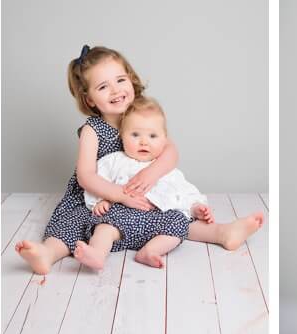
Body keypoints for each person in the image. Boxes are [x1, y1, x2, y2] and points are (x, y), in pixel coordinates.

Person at [15, 46, 263, 274]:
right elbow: (86, 176)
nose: (115, 90)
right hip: (101, 196)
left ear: (131, 80)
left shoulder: (142, 113)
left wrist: (151, 173)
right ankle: (48, 253)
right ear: (89, 99)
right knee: (74, 223)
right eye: (103, 87)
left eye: (120, 80)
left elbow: (171, 150)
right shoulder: (93, 129)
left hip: (143, 193)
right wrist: (120, 195)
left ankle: (223, 233)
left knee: (172, 214)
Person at [78, 96, 212, 270]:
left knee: (179, 224)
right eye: (135, 135)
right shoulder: (114, 161)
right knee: (103, 227)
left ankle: (149, 251)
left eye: (152, 136)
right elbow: (98, 182)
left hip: (156, 222)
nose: (143, 141)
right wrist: (100, 202)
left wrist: (196, 207)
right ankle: (97, 253)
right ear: (122, 137)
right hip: (120, 218)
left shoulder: (163, 169)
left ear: (164, 140)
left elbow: (182, 193)